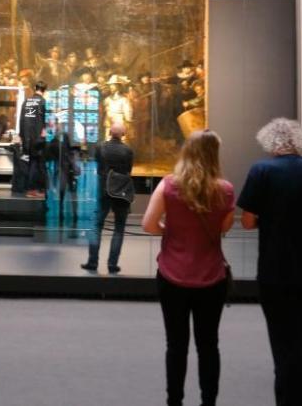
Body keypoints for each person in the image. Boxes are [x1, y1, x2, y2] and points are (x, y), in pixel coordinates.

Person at [237, 118, 302, 406]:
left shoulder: (261, 170)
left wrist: (273, 219)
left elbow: (247, 221)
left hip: (274, 270)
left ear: (271, 142)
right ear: (300, 141)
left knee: (282, 341)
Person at [142, 130, 235, 406]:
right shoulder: (225, 190)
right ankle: (208, 401)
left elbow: (148, 224)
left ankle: (175, 401)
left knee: (175, 345)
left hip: (172, 275)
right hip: (211, 277)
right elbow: (224, 228)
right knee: (209, 346)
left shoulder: (168, 185)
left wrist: (170, 231)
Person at [83, 123, 133, 274]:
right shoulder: (128, 150)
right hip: (121, 192)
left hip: (103, 190)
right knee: (119, 229)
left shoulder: (101, 147)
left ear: (110, 132)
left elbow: (98, 167)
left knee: (97, 226)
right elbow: (128, 170)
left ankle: (92, 262)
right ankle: (112, 264)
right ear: (123, 134)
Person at [19, 81, 48, 199]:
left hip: (27, 138)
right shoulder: (43, 102)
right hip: (39, 139)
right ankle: (37, 190)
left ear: (35, 88)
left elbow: (21, 120)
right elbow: (47, 121)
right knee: (39, 164)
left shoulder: (26, 102)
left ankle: (31, 189)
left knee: (32, 163)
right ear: (44, 90)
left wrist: (22, 137)